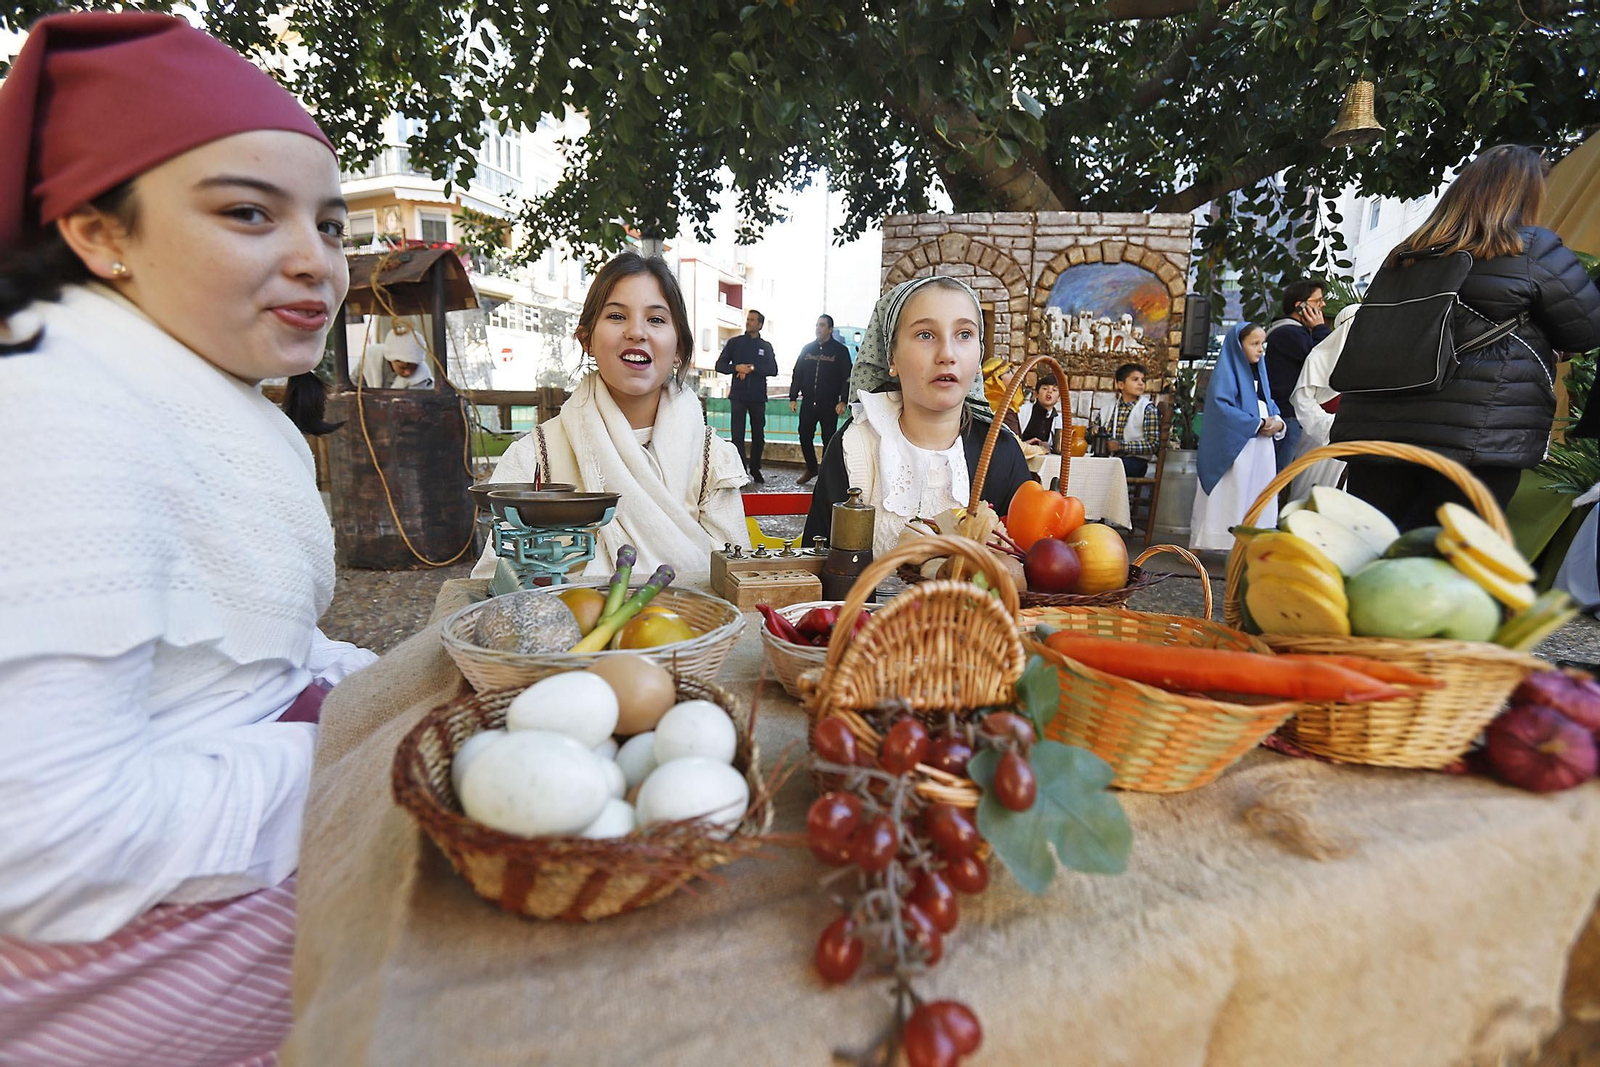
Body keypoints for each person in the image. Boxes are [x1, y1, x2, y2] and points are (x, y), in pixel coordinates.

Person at [0, 12, 378, 1064]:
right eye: (249, 213)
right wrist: (356, 749)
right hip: (110, 984)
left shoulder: (201, 399)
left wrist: (388, 682)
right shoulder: (52, 411)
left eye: (332, 226)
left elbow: (237, 655)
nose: (314, 262)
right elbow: (50, 838)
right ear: (100, 233)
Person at [1332, 144, 1600, 528]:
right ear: (1526, 196)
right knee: (1451, 556)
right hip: (1477, 437)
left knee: (1367, 551)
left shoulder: (1404, 256)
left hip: (1376, 434)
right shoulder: (1531, 249)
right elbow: (1588, 329)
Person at [472, 252, 750, 579]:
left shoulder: (712, 459)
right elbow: (493, 578)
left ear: (678, 348)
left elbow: (737, 576)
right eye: (617, 316)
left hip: (690, 613)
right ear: (586, 339)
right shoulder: (534, 456)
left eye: (656, 319)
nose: (636, 332)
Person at [802, 276, 1033, 556]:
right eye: (925, 335)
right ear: (892, 358)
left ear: (979, 356)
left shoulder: (1001, 453)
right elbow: (815, 564)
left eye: (964, 334)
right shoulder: (855, 447)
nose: (947, 354)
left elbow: (1023, 565)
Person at [1190, 323, 1286, 551]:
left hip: (1260, 451)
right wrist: (1257, 423)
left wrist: (1278, 423)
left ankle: (1252, 543)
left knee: (1255, 494)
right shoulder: (1225, 375)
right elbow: (1222, 409)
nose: (1260, 349)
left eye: (1262, 344)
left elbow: (1270, 405)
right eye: (1254, 344)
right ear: (1237, 346)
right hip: (1233, 450)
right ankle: (1206, 541)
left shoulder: (1261, 375)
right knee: (1227, 493)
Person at [1287, 303, 1360, 499]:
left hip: (1354, 440)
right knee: (1310, 496)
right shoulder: (1318, 358)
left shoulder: (1373, 363)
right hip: (1318, 440)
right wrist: (1329, 425)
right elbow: (1303, 401)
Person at [1264, 278, 1332, 470]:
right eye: (1317, 301)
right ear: (1300, 306)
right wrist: (1319, 328)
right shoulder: (1289, 333)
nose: (1322, 305)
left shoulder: (1292, 332)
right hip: (1287, 415)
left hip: (1287, 414)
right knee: (1278, 474)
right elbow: (1322, 359)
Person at [715, 307, 778, 482]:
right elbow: (720, 365)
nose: (748, 322)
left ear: (760, 325)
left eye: (752, 320)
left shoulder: (765, 346)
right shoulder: (734, 343)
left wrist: (752, 369)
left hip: (758, 397)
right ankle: (740, 469)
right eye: (748, 319)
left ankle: (755, 468)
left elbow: (773, 369)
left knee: (759, 435)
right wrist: (737, 367)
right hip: (738, 396)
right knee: (737, 436)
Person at [788, 313, 852, 485]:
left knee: (828, 439)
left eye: (822, 325)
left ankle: (825, 475)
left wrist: (843, 400)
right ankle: (811, 468)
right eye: (817, 325)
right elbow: (797, 373)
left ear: (830, 329)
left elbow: (847, 377)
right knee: (804, 435)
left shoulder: (840, 351)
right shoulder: (807, 349)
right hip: (808, 401)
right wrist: (793, 397)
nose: (818, 328)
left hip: (829, 403)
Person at [1095, 362, 1162, 477]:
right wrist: (1093, 430)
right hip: (1110, 458)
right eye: (1135, 380)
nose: (1141, 383)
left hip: (1135, 461)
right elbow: (1091, 433)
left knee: (1107, 469)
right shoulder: (1109, 407)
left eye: (1143, 380)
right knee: (1090, 465)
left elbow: (1153, 444)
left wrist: (1120, 446)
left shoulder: (1147, 409)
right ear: (1121, 385)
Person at [1017, 373, 1064, 449]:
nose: (1049, 392)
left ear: (1059, 398)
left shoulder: (1058, 419)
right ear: (1036, 394)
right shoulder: (1022, 411)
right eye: (1045, 388)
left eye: (1054, 390)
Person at [384, 322, 435, 389]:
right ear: (390, 360)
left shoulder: (422, 380)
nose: (408, 373)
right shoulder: (373, 365)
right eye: (402, 367)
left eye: (413, 368)